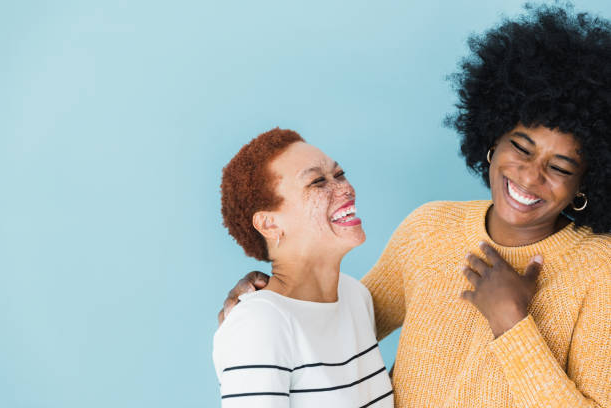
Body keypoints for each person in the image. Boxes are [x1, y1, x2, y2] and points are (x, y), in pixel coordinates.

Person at [219, 4, 611, 407]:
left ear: (586, 183)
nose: (530, 177)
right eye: (520, 148)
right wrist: (267, 300)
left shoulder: (601, 270)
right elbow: (334, 330)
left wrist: (511, 324)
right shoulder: (430, 229)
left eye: (561, 167)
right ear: (492, 140)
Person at [213, 128, 393, 407]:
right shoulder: (259, 324)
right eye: (318, 182)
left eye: (340, 173)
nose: (345, 188)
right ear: (269, 224)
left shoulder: (356, 297)